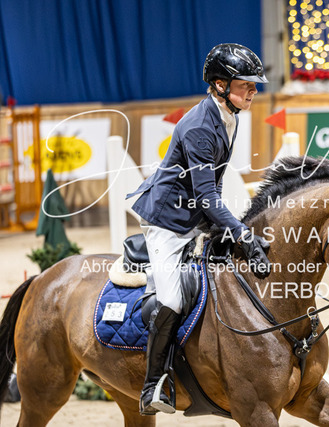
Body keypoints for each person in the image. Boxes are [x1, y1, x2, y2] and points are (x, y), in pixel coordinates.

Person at [127, 43, 272, 415]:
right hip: (166, 223)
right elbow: (206, 195)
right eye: (246, 84)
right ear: (221, 85)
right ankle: (153, 383)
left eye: (254, 84)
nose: (254, 90)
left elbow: (212, 188)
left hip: (195, 215)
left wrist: (226, 229)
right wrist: (238, 232)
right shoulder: (198, 127)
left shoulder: (229, 116)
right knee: (172, 299)